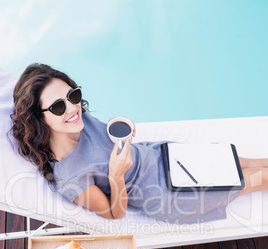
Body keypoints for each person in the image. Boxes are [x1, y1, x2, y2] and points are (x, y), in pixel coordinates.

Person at [10, 63, 268, 224]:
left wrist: (122, 131)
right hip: (168, 194)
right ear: (38, 118)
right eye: (58, 106)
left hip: (163, 156)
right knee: (256, 179)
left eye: (73, 95)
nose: (72, 108)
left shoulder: (78, 118)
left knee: (239, 161)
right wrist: (116, 176)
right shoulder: (70, 178)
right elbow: (114, 213)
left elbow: (106, 138)